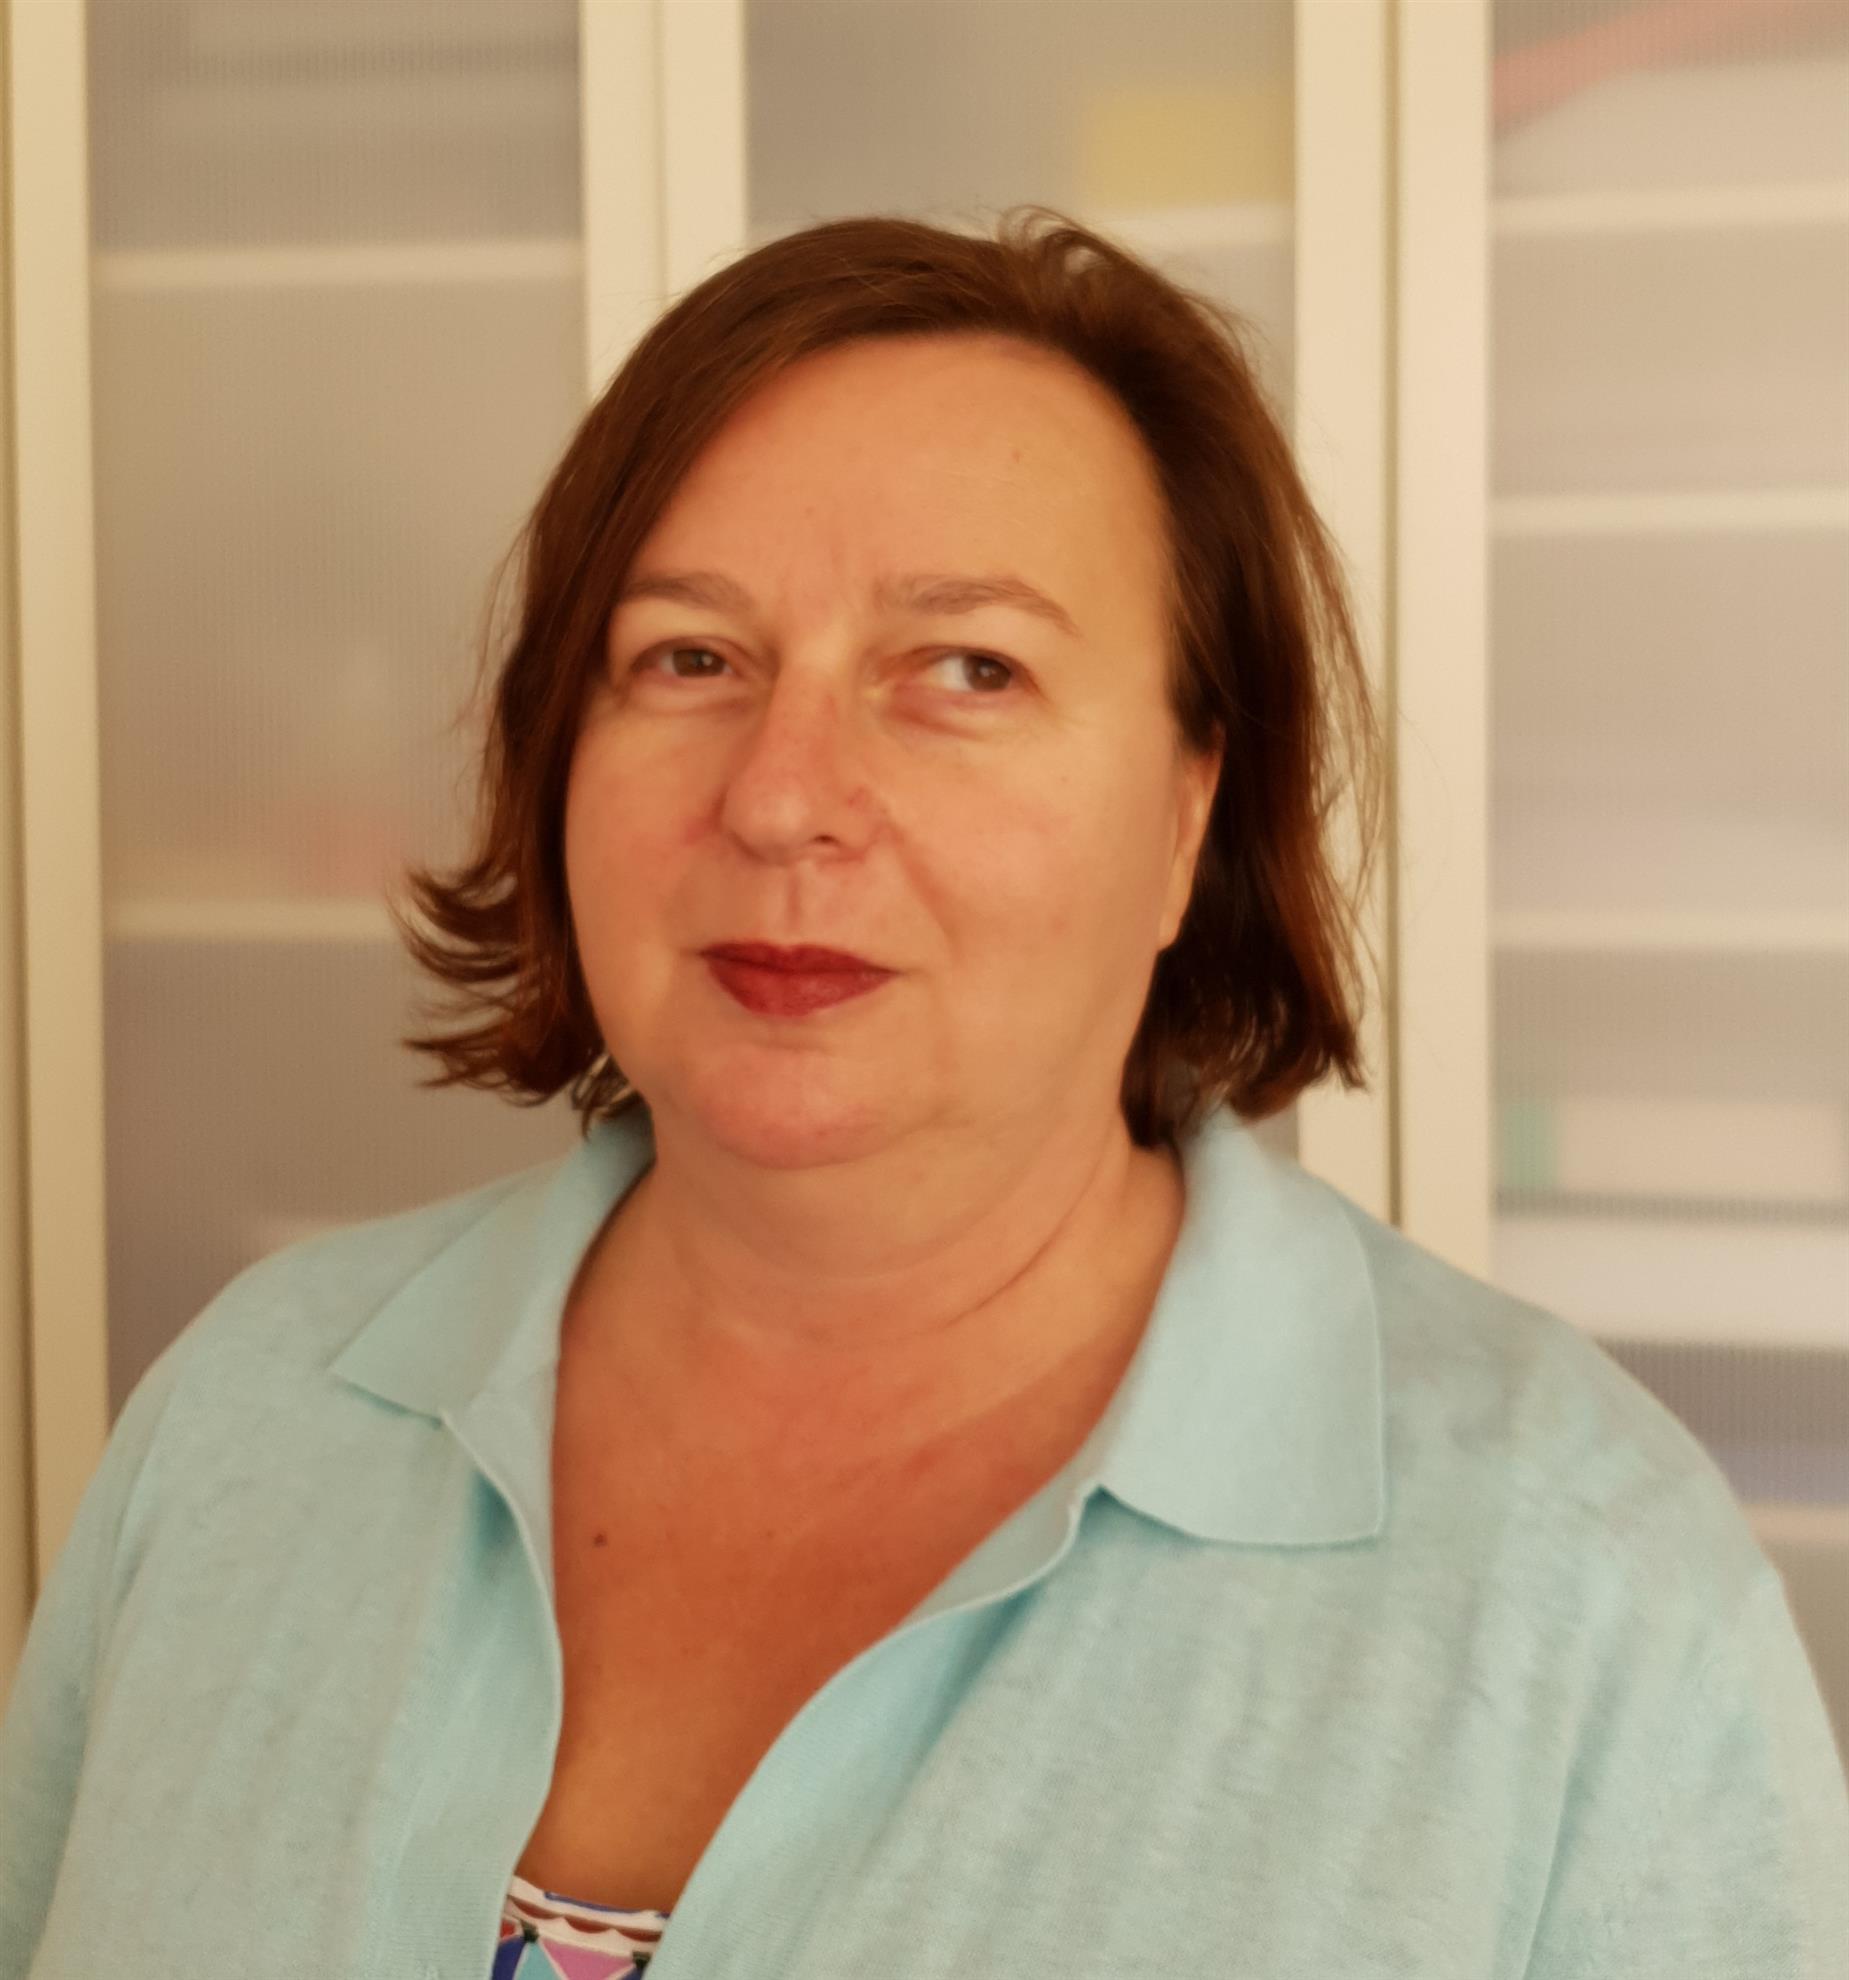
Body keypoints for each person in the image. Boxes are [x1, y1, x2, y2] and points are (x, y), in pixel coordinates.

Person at [2, 207, 1845, 1980]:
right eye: (689, 659)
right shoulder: (250, 1414)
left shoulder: (1572, 1584)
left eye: (967, 668)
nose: (784, 793)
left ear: (1191, 808)